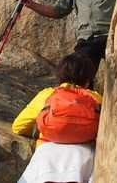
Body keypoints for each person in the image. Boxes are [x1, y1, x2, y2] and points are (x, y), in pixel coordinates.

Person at [13, 53, 101, 183]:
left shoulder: (48, 94)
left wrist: (44, 129)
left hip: (46, 156)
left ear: (60, 76)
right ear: (88, 80)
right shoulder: (96, 98)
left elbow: (18, 126)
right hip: (84, 159)